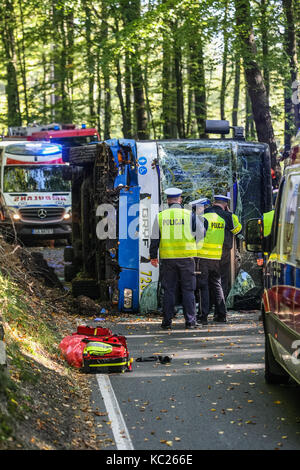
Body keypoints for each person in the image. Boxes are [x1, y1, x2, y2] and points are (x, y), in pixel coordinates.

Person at [149, 188, 205, 330]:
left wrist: (153, 256)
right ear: (180, 200)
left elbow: (155, 238)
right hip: (187, 258)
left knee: (169, 290)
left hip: (168, 259)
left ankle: (167, 322)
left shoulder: (161, 216)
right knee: (188, 290)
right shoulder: (189, 214)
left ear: (168, 201)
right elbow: (201, 233)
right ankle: (190, 322)